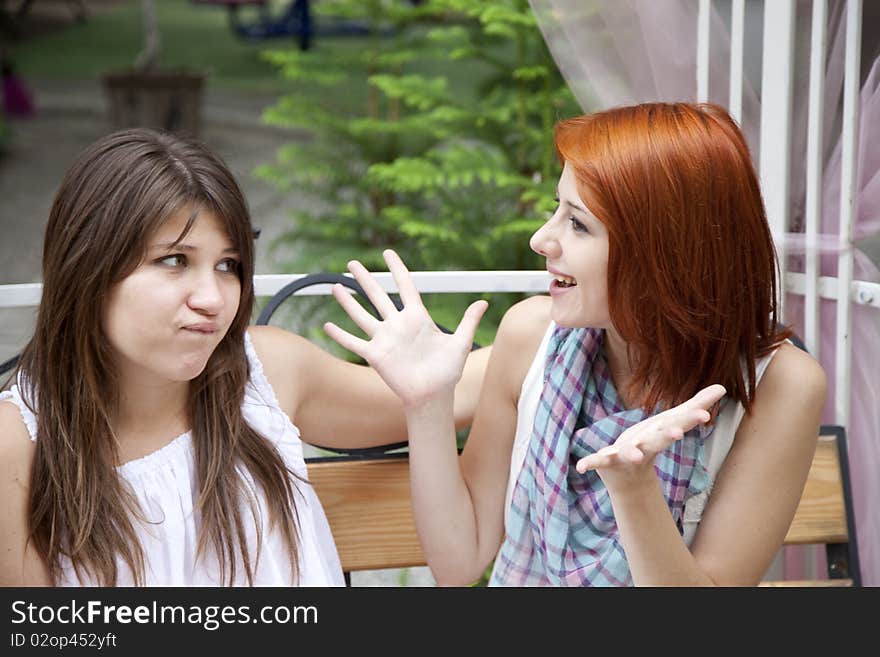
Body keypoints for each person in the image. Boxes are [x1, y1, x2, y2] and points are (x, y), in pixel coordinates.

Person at [325, 102, 827, 586]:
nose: (542, 240)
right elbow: (459, 562)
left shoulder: (782, 386)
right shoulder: (529, 337)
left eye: (578, 223)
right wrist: (428, 403)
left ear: (666, 253)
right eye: (556, 210)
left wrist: (633, 488)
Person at [0, 127, 488, 586]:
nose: (212, 298)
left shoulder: (266, 376)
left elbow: (474, 382)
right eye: (175, 261)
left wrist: (557, 305)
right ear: (87, 266)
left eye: (228, 265)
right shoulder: (18, 444)